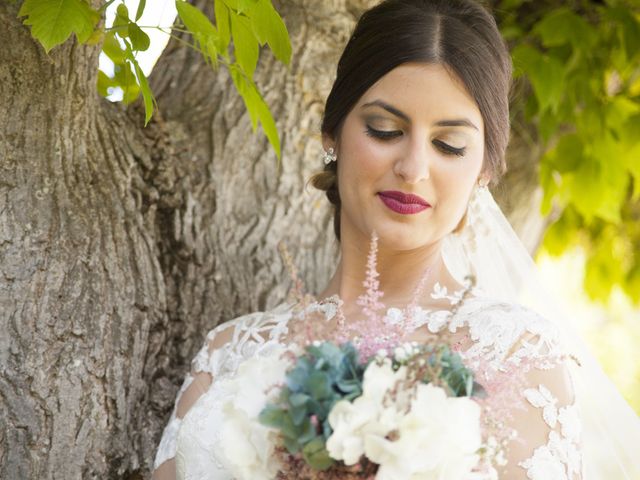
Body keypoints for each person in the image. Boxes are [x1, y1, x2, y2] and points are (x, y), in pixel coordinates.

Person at [152, 1, 640, 479]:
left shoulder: (518, 358)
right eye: (385, 130)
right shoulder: (230, 352)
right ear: (333, 134)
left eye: (449, 145)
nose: (413, 169)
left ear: (484, 170)